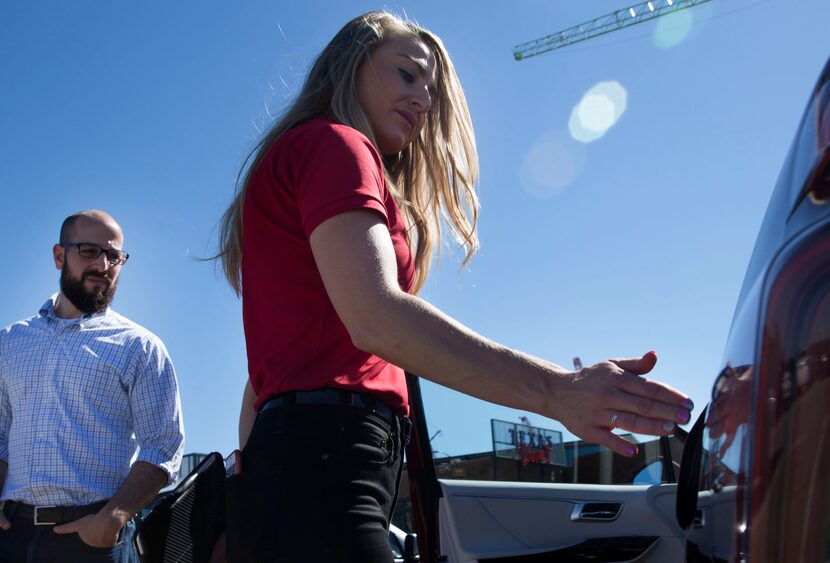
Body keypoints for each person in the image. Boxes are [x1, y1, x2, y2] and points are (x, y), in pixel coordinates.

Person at [217, 11, 694, 563]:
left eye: (430, 90)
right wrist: (557, 391)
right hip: (325, 463)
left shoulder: (309, 151)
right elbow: (376, 317)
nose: (422, 99)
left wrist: (250, 491)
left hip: (300, 465)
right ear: (350, 67)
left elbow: (261, 386)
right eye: (407, 74)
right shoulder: (335, 144)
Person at [0, 210, 185, 563]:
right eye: (89, 251)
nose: (103, 264)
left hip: (93, 540)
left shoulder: (139, 346)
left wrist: (111, 519)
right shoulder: (10, 342)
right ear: (59, 255)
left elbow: (163, 445)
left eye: (114, 255)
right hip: (12, 536)